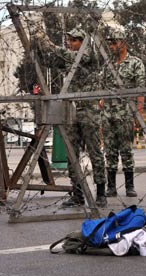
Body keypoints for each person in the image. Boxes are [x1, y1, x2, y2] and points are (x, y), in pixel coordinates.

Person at [34, 27, 107, 207]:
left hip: (88, 110)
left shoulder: (88, 55)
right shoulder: (68, 58)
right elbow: (50, 61)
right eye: (69, 40)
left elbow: (69, 56)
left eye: (74, 40)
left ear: (82, 42)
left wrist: (49, 43)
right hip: (71, 111)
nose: (70, 43)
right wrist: (37, 46)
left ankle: (101, 193)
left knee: (94, 152)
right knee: (72, 153)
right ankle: (77, 193)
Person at [102, 29, 145, 198]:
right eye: (110, 43)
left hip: (126, 113)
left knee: (126, 150)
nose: (111, 46)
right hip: (108, 113)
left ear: (124, 43)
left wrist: (138, 114)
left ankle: (129, 186)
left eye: (114, 42)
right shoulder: (108, 65)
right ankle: (111, 187)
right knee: (110, 151)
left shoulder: (135, 63)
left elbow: (140, 91)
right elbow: (102, 89)